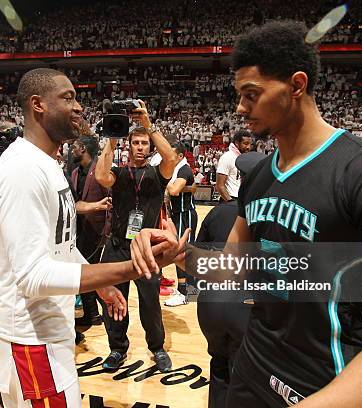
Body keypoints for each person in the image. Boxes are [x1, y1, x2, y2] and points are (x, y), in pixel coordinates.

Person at [134, 20, 362, 407]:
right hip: (253, 369)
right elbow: (232, 270)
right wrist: (179, 256)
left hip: (330, 387)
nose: (240, 107)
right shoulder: (260, 175)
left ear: (296, 85)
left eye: (251, 94)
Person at [0, 68, 184, 408]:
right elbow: (33, 275)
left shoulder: (47, 164)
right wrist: (131, 269)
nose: (79, 107)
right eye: (68, 98)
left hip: (49, 328)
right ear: (38, 105)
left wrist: (99, 286)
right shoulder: (23, 170)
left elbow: (59, 247)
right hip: (30, 336)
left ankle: (156, 346)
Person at [94, 103, 177, 372]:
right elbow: (100, 176)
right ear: (129, 146)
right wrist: (112, 139)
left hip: (147, 250)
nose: (140, 147)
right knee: (113, 299)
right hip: (118, 245)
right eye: (136, 143)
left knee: (150, 303)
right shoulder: (118, 173)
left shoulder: (156, 174)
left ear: (149, 146)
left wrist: (149, 126)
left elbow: (171, 159)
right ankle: (117, 349)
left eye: (144, 143)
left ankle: (157, 348)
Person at [195, 152, 265, 407]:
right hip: (245, 306)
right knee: (245, 376)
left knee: (219, 367)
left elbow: (200, 252)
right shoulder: (268, 216)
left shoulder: (218, 211)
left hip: (211, 303)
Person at [70, 136, 110, 327]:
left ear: (83, 148)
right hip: (81, 232)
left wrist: (107, 233)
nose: (71, 150)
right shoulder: (76, 172)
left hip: (99, 233)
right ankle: (91, 314)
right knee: (83, 274)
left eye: (74, 147)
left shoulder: (100, 171)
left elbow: (112, 204)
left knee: (95, 276)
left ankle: (105, 314)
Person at [164, 142, 197, 307]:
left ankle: (186, 292)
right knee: (180, 252)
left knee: (185, 253)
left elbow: (174, 190)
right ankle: (186, 289)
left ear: (180, 156)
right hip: (178, 214)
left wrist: (165, 181)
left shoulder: (184, 169)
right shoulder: (177, 169)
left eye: (172, 153)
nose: (168, 156)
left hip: (186, 215)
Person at [216, 130, 253, 202]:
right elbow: (220, 186)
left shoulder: (245, 158)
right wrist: (231, 202)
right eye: (245, 144)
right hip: (230, 199)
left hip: (242, 199)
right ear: (236, 143)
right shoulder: (227, 157)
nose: (248, 147)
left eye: (250, 144)